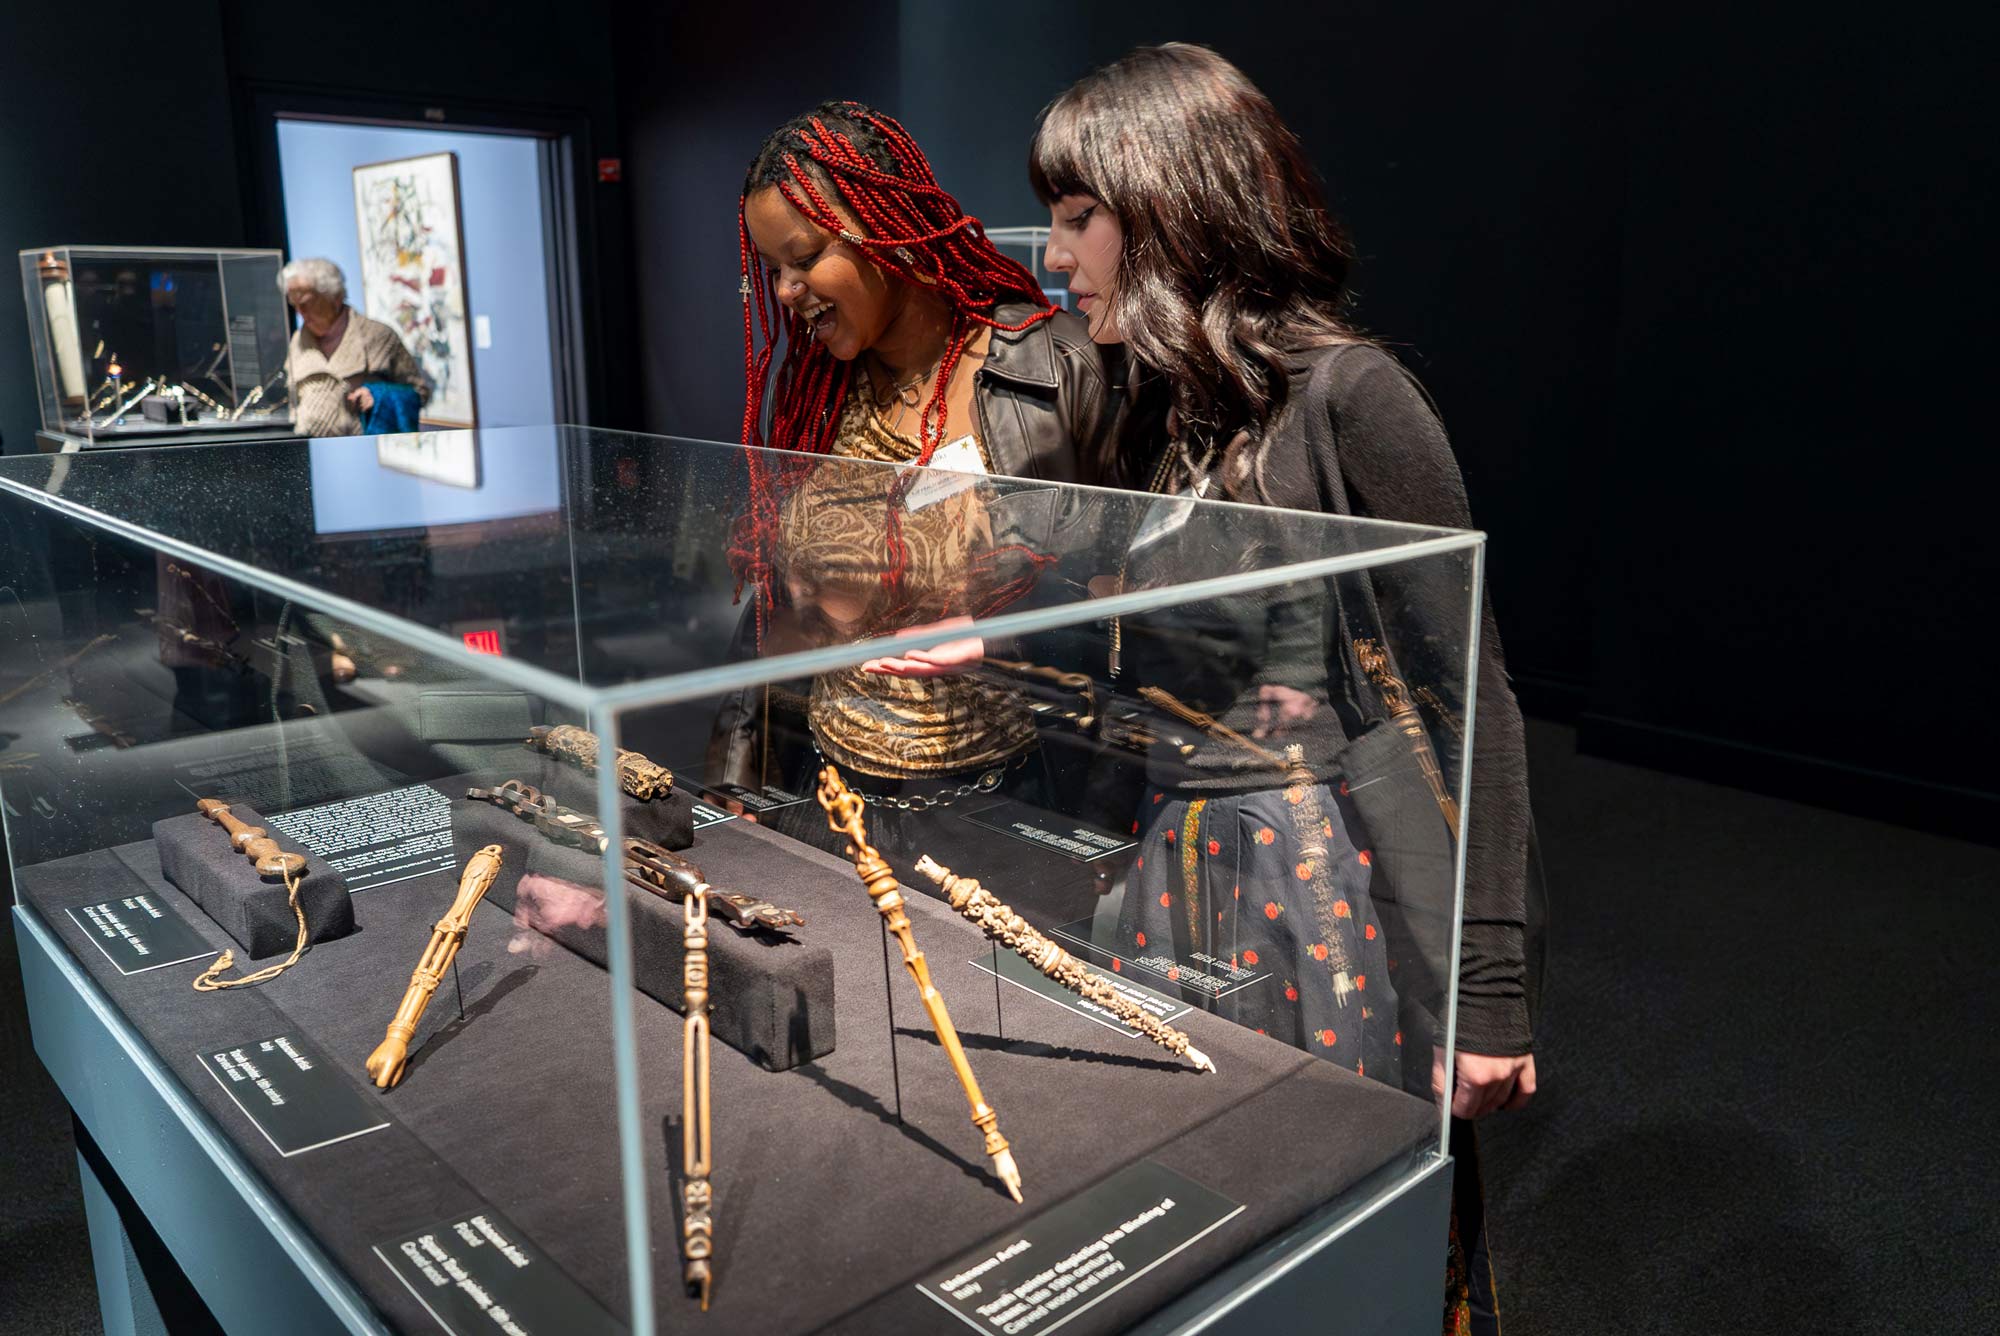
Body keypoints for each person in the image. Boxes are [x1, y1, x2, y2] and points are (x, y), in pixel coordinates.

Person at [1030, 44, 1538, 1334]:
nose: (1052, 254)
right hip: (1168, 855)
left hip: (1321, 881)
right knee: (1189, 1197)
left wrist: (1485, 991)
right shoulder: (1152, 411)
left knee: (1328, 1213)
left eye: (1078, 216)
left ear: (1171, 203)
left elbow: (1467, 696)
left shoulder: (1350, 398)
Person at [709, 102, 1113, 820]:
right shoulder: (813, 392)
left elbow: (1123, 600)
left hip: (1010, 800)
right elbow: (775, 607)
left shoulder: (1053, 368)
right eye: (772, 269)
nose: (785, 291)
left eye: (804, 259)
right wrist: (737, 784)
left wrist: (1105, 829)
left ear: (889, 231)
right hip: (831, 796)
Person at [280, 257, 429, 436]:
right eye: (294, 304)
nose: (300, 313)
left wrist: (378, 395)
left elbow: (419, 392)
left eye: (306, 303)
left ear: (334, 297)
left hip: (363, 449)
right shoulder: (297, 341)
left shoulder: (378, 336)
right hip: (310, 449)